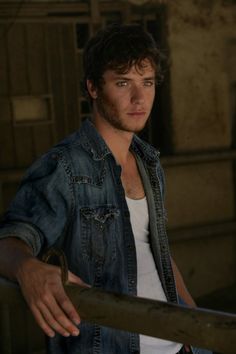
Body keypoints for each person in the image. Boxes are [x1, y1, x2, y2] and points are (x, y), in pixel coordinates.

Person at [0, 24, 211, 354]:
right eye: (123, 83)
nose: (139, 98)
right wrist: (28, 268)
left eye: (148, 83)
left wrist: (197, 331)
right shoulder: (65, 166)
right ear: (94, 88)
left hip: (177, 345)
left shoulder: (148, 161)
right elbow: (9, 240)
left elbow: (158, 252)